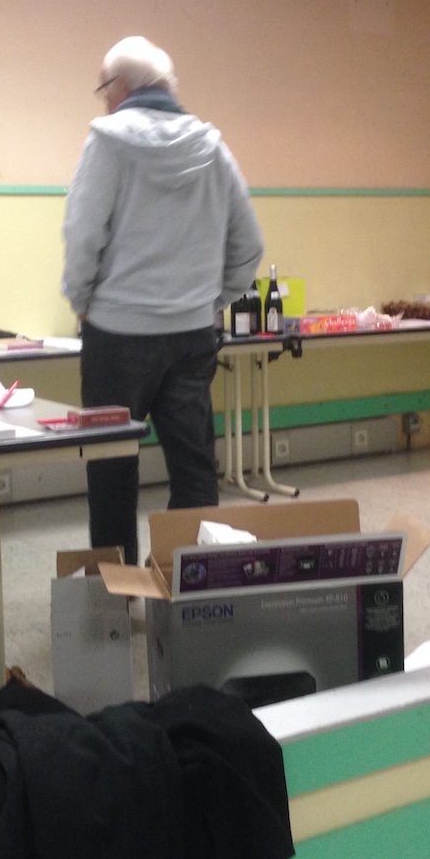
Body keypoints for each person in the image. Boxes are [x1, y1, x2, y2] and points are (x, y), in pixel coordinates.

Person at [62, 37, 264, 565]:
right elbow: (249, 245)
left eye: (103, 89)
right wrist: (211, 300)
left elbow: (83, 233)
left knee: (111, 467)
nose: (103, 100)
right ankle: (190, 582)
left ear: (120, 87)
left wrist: (80, 299)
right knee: (195, 467)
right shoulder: (212, 148)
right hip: (192, 335)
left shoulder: (107, 141)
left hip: (118, 336)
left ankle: (115, 590)